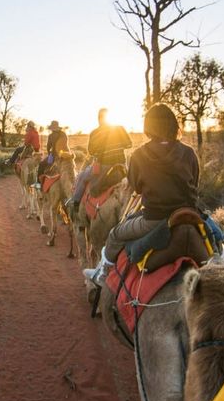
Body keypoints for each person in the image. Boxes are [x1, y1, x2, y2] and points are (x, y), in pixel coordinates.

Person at [84, 103, 199, 286]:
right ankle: (221, 261)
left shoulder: (139, 155)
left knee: (115, 234)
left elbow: (136, 188)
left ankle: (103, 274)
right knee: (217, 238)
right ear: (173, 125)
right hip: (190, 215)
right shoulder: (189, 152)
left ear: (148, 127)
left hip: (154, 219)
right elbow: (195, 183)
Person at [68, 108, 132, 213]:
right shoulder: (120, 129)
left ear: (99, 119)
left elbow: (91, 151)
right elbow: (130, 144)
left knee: (82, 176)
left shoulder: (95, 133)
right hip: (122, 166)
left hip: (104, 167)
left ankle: (75, 203)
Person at [34, 120, 70, 187]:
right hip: (66, 155)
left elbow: (48, 148)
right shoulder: (64, 134)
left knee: (41, 165)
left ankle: (38, 184)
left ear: (51, 128)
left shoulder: (51, 136)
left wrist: (50, 154)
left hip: (55, 156)